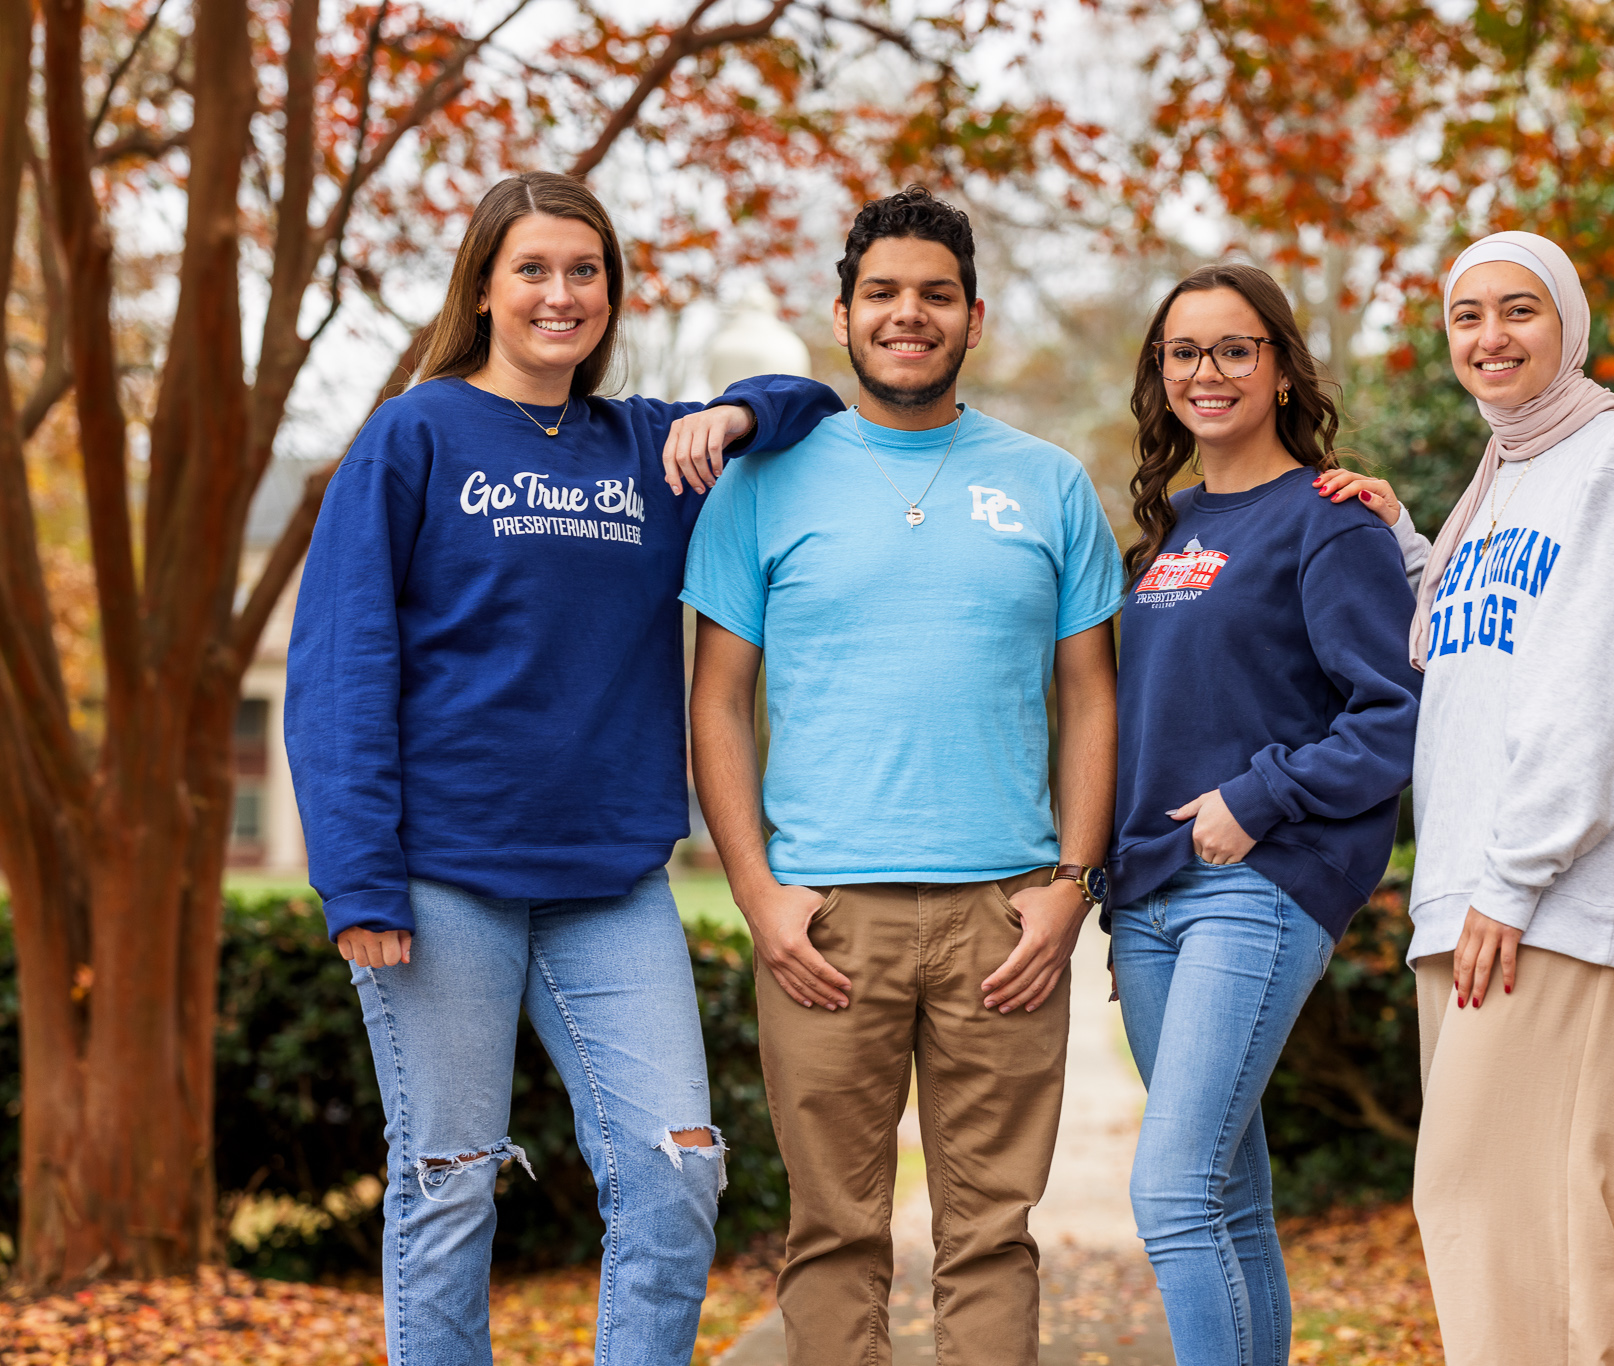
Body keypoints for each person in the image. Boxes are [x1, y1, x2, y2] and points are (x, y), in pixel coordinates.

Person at [284, 170, 842, 1366]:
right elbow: (337, 664)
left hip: (612, 881)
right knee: (447, 1184)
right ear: (483, 288)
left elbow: (814, 403)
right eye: (531, 268)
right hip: (442, 878)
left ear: (611, 292)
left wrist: (737, 415)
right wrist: (359, 880)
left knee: (678, 1165)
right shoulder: (415, 432)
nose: (559, 293)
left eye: (583, 270)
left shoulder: (648, 449)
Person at [684, 186, 1123, 1366]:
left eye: (934, 293)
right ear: (842, 313)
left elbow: (1091, 695)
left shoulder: (1048, 483)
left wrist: (1070, 884)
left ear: (973, 317)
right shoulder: (761, 483)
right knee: (832, 1232)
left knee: (991, 1234)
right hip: (824, 917)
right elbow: (714, 698)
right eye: (882, 292)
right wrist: (759, 894)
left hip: (1006, 917)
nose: (907, 314)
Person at [1317, 229, 1614, 1366]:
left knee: (1518, 1210)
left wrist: (1514, 875)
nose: (1488, 337)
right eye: (1465, 316)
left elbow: (1603, 686)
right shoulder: (1500, 485)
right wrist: (1404, 541)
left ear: (1568, 324)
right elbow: (1463, 655)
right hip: (1472, 897)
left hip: (1550, 898)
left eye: (1517, 311)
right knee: (1478, 1213)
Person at [1105, 263, 1421, 1366]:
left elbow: (1390, 717)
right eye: (1183, 352)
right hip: (1146, 903)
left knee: (1171, 1191)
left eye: (1235, 348)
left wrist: (1255, 798)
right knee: (1228, 1199)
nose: (1208, 371)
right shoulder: (1166, 531)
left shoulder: (1324, 520)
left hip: (1254, 884)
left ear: (1280, 367)